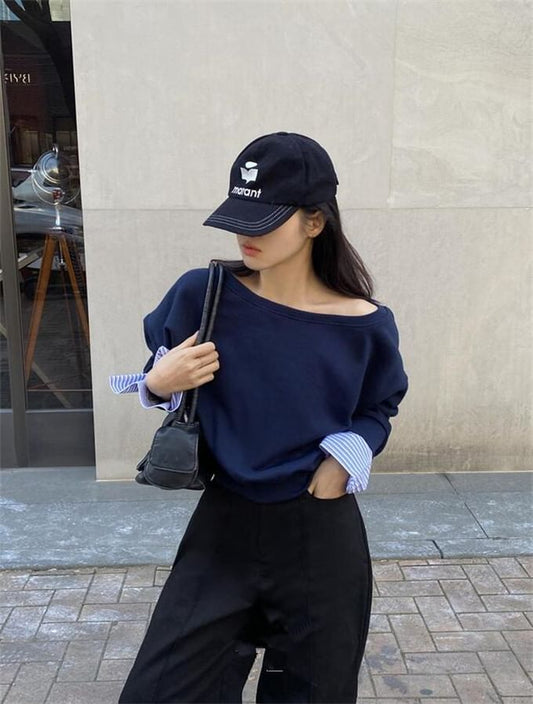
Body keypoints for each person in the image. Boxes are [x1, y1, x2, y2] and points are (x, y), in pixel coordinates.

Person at [109, 131, 409, 703]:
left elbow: (379, 408)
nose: (245, 235)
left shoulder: (365, 323)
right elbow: (164, 375)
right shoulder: (203, 295)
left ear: (315, 222)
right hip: (224, 525)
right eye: (239, 218)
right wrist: (156, 383)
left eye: (264, 221)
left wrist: (341, 463)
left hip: (320, 533)